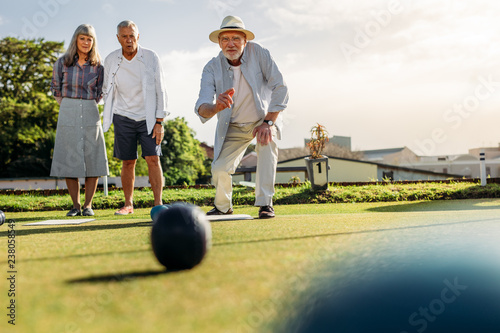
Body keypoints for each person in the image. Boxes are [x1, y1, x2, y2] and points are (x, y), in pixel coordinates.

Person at [195, 16, 289, 219]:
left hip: (261, 120)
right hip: (233, 125)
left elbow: (280, 88)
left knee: (267, 142)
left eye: (236, 38)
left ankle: (265, 204)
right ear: (219, 43)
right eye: (225, 39)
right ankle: (223, 207)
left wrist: (268, 122)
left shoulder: (260, 53)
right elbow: (202, 107)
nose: (231, 44)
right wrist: (216, 107)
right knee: (219, 168)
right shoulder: (211, 67)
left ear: (245, 41)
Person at [102, 20, 169, 215]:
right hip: (122, 116)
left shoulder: (151, 57)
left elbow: (161, 89)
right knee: (128, 161)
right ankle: (128, 204)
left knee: (153, 158)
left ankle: (158, 203)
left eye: (132, 36)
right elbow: (106, 89)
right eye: (124, 36)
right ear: (118, 39)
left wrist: (159, 121)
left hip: (148, 117)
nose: (129, 40)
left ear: (138, 36)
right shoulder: (110, 59)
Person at [50, 24, 108, 217]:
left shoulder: (98, 66)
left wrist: (87, 105)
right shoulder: (62, 62)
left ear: (93, 42)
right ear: (76, 40)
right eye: (82, 38)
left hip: (91, 109)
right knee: (69, 158)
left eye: (90, 39)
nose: (86, 42)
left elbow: (101, 92)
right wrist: (68, 106)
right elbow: (55, 88)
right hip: (68, 109)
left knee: (94, 157)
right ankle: (75, 205)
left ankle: (88, 205)